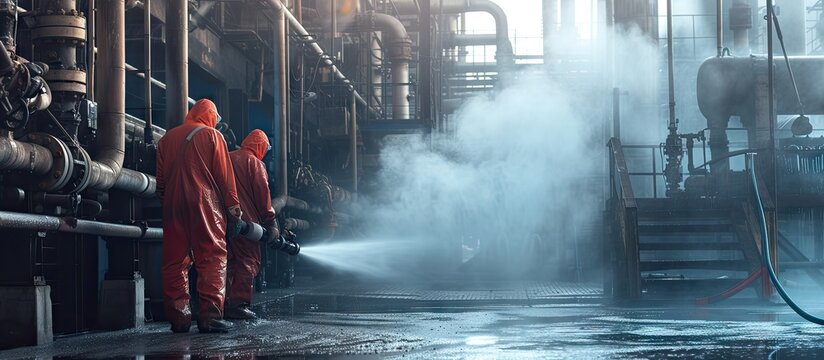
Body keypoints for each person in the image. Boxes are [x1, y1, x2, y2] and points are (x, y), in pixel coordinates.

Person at [156, 99, 242, 333]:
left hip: (173, 204)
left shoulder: (166, 139)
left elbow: (161, 182)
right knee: (212, 256)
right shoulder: (213, 136)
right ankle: (210, 317)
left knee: (175, 261)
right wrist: (233, 208)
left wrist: (169, 201)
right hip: (205, 203)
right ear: (211, 116)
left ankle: (180, 319)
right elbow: (224, 177)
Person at [225, 129, 279, 319]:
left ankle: (222, 302)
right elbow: (262, 196)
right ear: (261, 146)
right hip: (247, 224)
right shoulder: (255, 163)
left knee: (228, 261)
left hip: (222, 219)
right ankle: (238, 304)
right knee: (248, 261)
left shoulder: (227, 157)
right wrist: (271, 222)